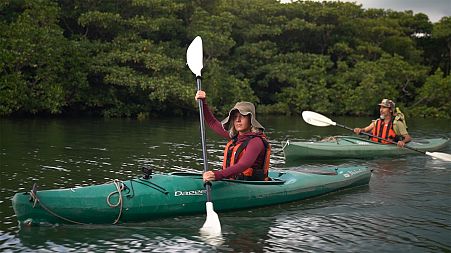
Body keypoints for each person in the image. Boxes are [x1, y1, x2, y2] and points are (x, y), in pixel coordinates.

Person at [195, 90, 271, 182]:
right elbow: (212, 122)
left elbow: (243, 165)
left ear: (250, 120)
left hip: (251, 185)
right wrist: (203, 103)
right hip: (233, 181)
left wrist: (217, 175)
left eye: (242, 116)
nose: (238, 120)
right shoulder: (236, 137)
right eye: (235, 117)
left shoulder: (256, 142)